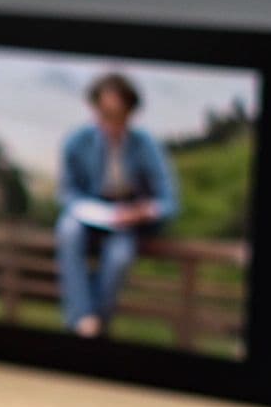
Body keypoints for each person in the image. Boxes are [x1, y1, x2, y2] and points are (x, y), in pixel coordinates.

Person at [54, 73, 180, 338]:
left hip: (128, 222)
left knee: (119, 258)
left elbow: (169, 200)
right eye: (103, 114)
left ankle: (92, 327)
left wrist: (142, 211)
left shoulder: (146, 144)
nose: (109, 122)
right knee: (68, 229)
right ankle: (83, 320)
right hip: (88, 217)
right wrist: (87, 209)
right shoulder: (76, 141)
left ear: (130, 113)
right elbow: (66, 193)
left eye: (117, 114)